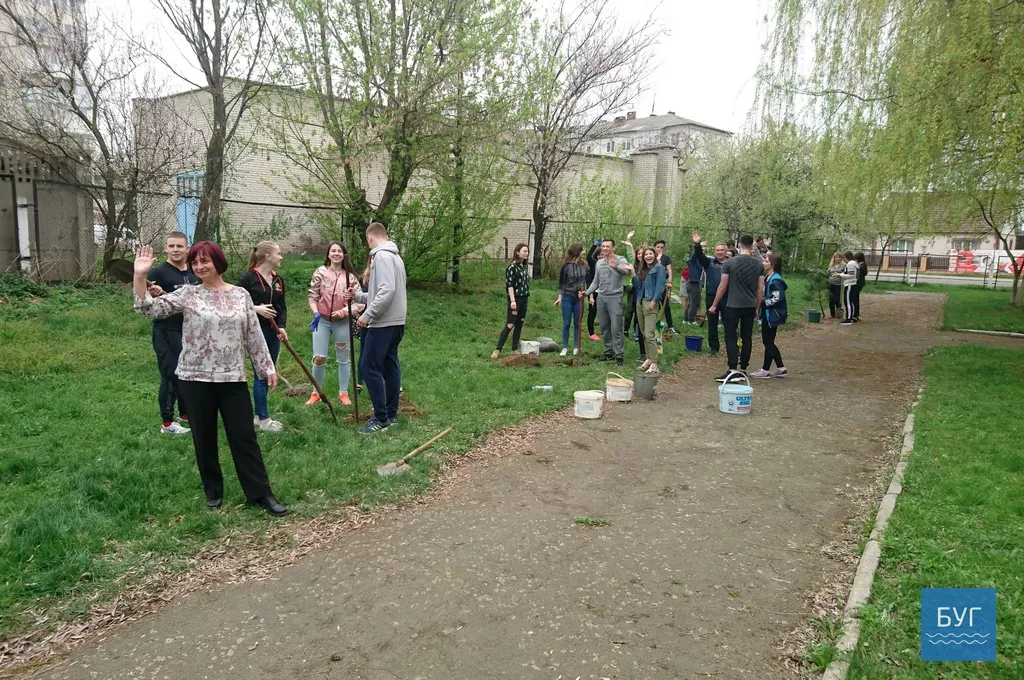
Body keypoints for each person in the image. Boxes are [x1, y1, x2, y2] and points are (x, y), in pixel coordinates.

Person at [132, 241, 287, 517]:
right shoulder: (188, 294)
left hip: (232, 378)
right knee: (204, 438)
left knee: (244, 437)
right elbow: (149, 310)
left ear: (218, 262)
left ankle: (261, 493)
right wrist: (140, 276)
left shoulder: (240, 295)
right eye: (195, 263)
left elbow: (253, 334)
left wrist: (267, 367)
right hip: (194, 379)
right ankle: (213, 492)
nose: (199, 266)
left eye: (205, 261)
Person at [353, 222, 408, 434]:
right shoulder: (395, 257)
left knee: (369, 366)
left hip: (383, 322)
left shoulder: (382, 257)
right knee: (389, 364)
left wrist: (368, 315)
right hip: (396, 321)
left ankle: (381, 418)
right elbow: (382, 292)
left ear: (370, 238)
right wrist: (357, 296)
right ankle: (391, 414)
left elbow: (386, 291)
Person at [146, 231, 200, 435]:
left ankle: (185, 413)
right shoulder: (158, 273)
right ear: (166, 248)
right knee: (170, 375)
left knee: (189, 374)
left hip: (191, 330)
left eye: (179, 246)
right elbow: (144, 301)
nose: (176, 250)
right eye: (171, 246)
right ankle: (167, 423)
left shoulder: (194, 272)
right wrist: (154, 294)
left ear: (187, 248)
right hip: (166, 330)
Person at [237, 241, 288, 433]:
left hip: (273, 332)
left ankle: (258, 416)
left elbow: (282, 306)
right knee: (262, 374)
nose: (281, 257)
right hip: (254, 332)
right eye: (279, 253)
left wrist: (282, 327)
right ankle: (265, 420)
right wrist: (256, 309)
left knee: (269, 371)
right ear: (268, 256)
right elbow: (232, 301)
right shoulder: (248, 278)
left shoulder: (278, 279)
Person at [306, 242, 364, 407]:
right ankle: (316, 392)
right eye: (333, 250)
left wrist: (344, 311)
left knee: (343, 358)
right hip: (322, 321)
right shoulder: (321, 272)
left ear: (344, 255)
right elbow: (312, 295)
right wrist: (316, 312)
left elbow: (359, 303)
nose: (336, 253)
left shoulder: (350, 277)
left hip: (342, 323)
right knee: (319, 358)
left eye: (339, 251)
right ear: (328, 254)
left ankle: (343, 393)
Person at [708, 234, 764, 382]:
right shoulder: (759, 264)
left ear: (739, 244)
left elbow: (722, 286)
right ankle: (743, 368)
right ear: (751, 246)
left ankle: (732, 369)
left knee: (730, 335)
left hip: (733, 304)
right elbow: (760, 290)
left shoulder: (730, 263)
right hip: (749, 305)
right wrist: (757, 307)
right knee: (747, 337)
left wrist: (714, 304)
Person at [585, 238, 634, 366]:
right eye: (603, 246)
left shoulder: (620, 259)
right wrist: (587, 292)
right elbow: (596, 281)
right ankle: (608, 352)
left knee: (617, 327)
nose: (605, 248)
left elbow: (625, 272)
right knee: (604, 327)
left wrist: (615, 267)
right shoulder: (599, 262)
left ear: (613, 248)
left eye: (608, 246)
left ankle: (619, 355)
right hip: (601, 297)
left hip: (615, 298)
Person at [750, 252, 788, 378]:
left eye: (766, 261)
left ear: (773, 264)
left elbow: (778, 298)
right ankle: (780, 367)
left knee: (768, 342)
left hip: (773, 314)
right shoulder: (769, 278)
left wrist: (763, 302)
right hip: (768, 314)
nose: (763, 263)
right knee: (768, 341)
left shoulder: (775, 280)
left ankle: (765, 370)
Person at [492, 243, 531, 359]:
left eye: (527, 251)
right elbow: (510, 286)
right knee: (510, 324)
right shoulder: (512, 268)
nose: (527, 253)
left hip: (524, 299)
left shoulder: (523, 267)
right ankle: (497, 349)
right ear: (517, 252)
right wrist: (513, 301)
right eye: (524, 251)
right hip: (516, 300)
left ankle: (514, 349)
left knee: (519, 324)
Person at [690, 231, 727, 354]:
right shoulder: (709, 263)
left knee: (729, 323)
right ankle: (713, 347)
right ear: (715, 252)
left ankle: (732, 346)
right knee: (712, 323)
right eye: (718, 250)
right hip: (712, 296)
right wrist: (697, 244)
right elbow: (700, 256)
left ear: (726, 251)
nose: (720, 252)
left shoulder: (731, 263)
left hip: (728, 296)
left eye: (722, 250)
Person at [634, 246, 666, 374]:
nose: (648, 256)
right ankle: (648, 358)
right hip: (640, 301)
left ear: (655, 255)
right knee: (643, 333)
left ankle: (654, 363)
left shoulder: (659, 268)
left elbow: (660, 286)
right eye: (646, 254)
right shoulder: (642, 268)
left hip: (650, 302)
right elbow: (636, 284)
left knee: (649, 334)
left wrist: (654, 300)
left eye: (650, 254)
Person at [553, 243, 588, 356]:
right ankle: (565, 347)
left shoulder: (585, 266)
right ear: (577, 251)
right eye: (583, 250)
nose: (584, 252)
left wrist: (589, 295)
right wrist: (559, 297)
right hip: (567, 297)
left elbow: (588, 281)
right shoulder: (566, 266)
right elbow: (561, 283)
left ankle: (576, 347)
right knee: (567, 323)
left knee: (578, 323)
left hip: (579, 298)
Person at [653, 239, 677, 334]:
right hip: (651, 285)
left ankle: (670, 325)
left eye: (662, 247)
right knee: (653, 305)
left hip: (661, 285)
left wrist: (670, 282)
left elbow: (669, 270)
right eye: (658, 247)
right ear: (655, 247)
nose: (660, 249)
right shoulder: (650, 256)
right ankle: (652, 324)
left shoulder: (666, 258)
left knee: (666, 305)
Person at [585, 240, 601, 341]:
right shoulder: (594, 264)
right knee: (592, 312)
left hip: (604, 292)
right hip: (593, 292)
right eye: (599, 255)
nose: (601, 256)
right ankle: (591, 333)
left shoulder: (608, 264)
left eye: (603, 255)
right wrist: (594, 245)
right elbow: (588, 256)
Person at [685, 241, 704, 324]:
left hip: (692, 282)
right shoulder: (693, 261)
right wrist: (698, 245)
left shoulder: (696, 262)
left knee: (691, 302)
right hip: (693, 283)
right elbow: (695, 254)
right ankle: (691, 320)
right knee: (695, 302)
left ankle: (686, 319)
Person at [840, 251, 858, 325]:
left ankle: (849, 318)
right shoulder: (854, 263)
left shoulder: (850, 264)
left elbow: (851, 275)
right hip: (852, 283)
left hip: (850, 284)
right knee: (849, 301)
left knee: (847, 301)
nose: (844, 259)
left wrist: (841, 275)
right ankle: (851, 317)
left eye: (844, 257)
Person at [827, 252, 845, 319]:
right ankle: (832, 314)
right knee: (831, 299)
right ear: (834, 258)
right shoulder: (831, 265)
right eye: (836, 257)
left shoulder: (844, 265)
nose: (838, 258)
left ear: (841, 258)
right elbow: (828, 273)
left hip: (839, 284)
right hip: (831, 283)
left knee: (837, 299)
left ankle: (838, 312)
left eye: (839, 257)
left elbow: (845, 274)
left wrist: (840, 275)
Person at [854, 252, 868, 321]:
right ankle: (856, 314)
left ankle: (855, 314)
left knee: (855, 299)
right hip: (860, 284)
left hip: (858, 284)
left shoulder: (861, 266)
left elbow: (858, 276)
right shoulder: (863, 265)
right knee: (856, 299)